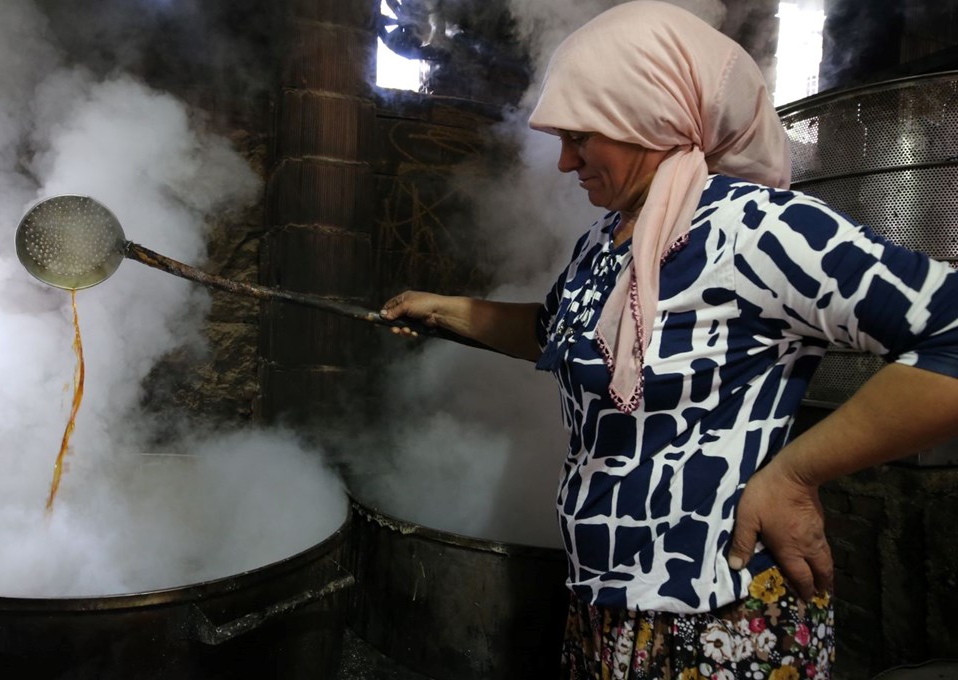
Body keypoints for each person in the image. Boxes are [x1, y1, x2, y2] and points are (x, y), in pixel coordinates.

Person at [379, 2, 958, 678]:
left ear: (649, 118)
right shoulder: (608, 239)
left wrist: (796, 474)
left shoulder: (762, 231)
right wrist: (444, 311)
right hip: (606, 607)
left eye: (581, 136)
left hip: (719, 621)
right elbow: (562, 331)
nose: (565, 161)